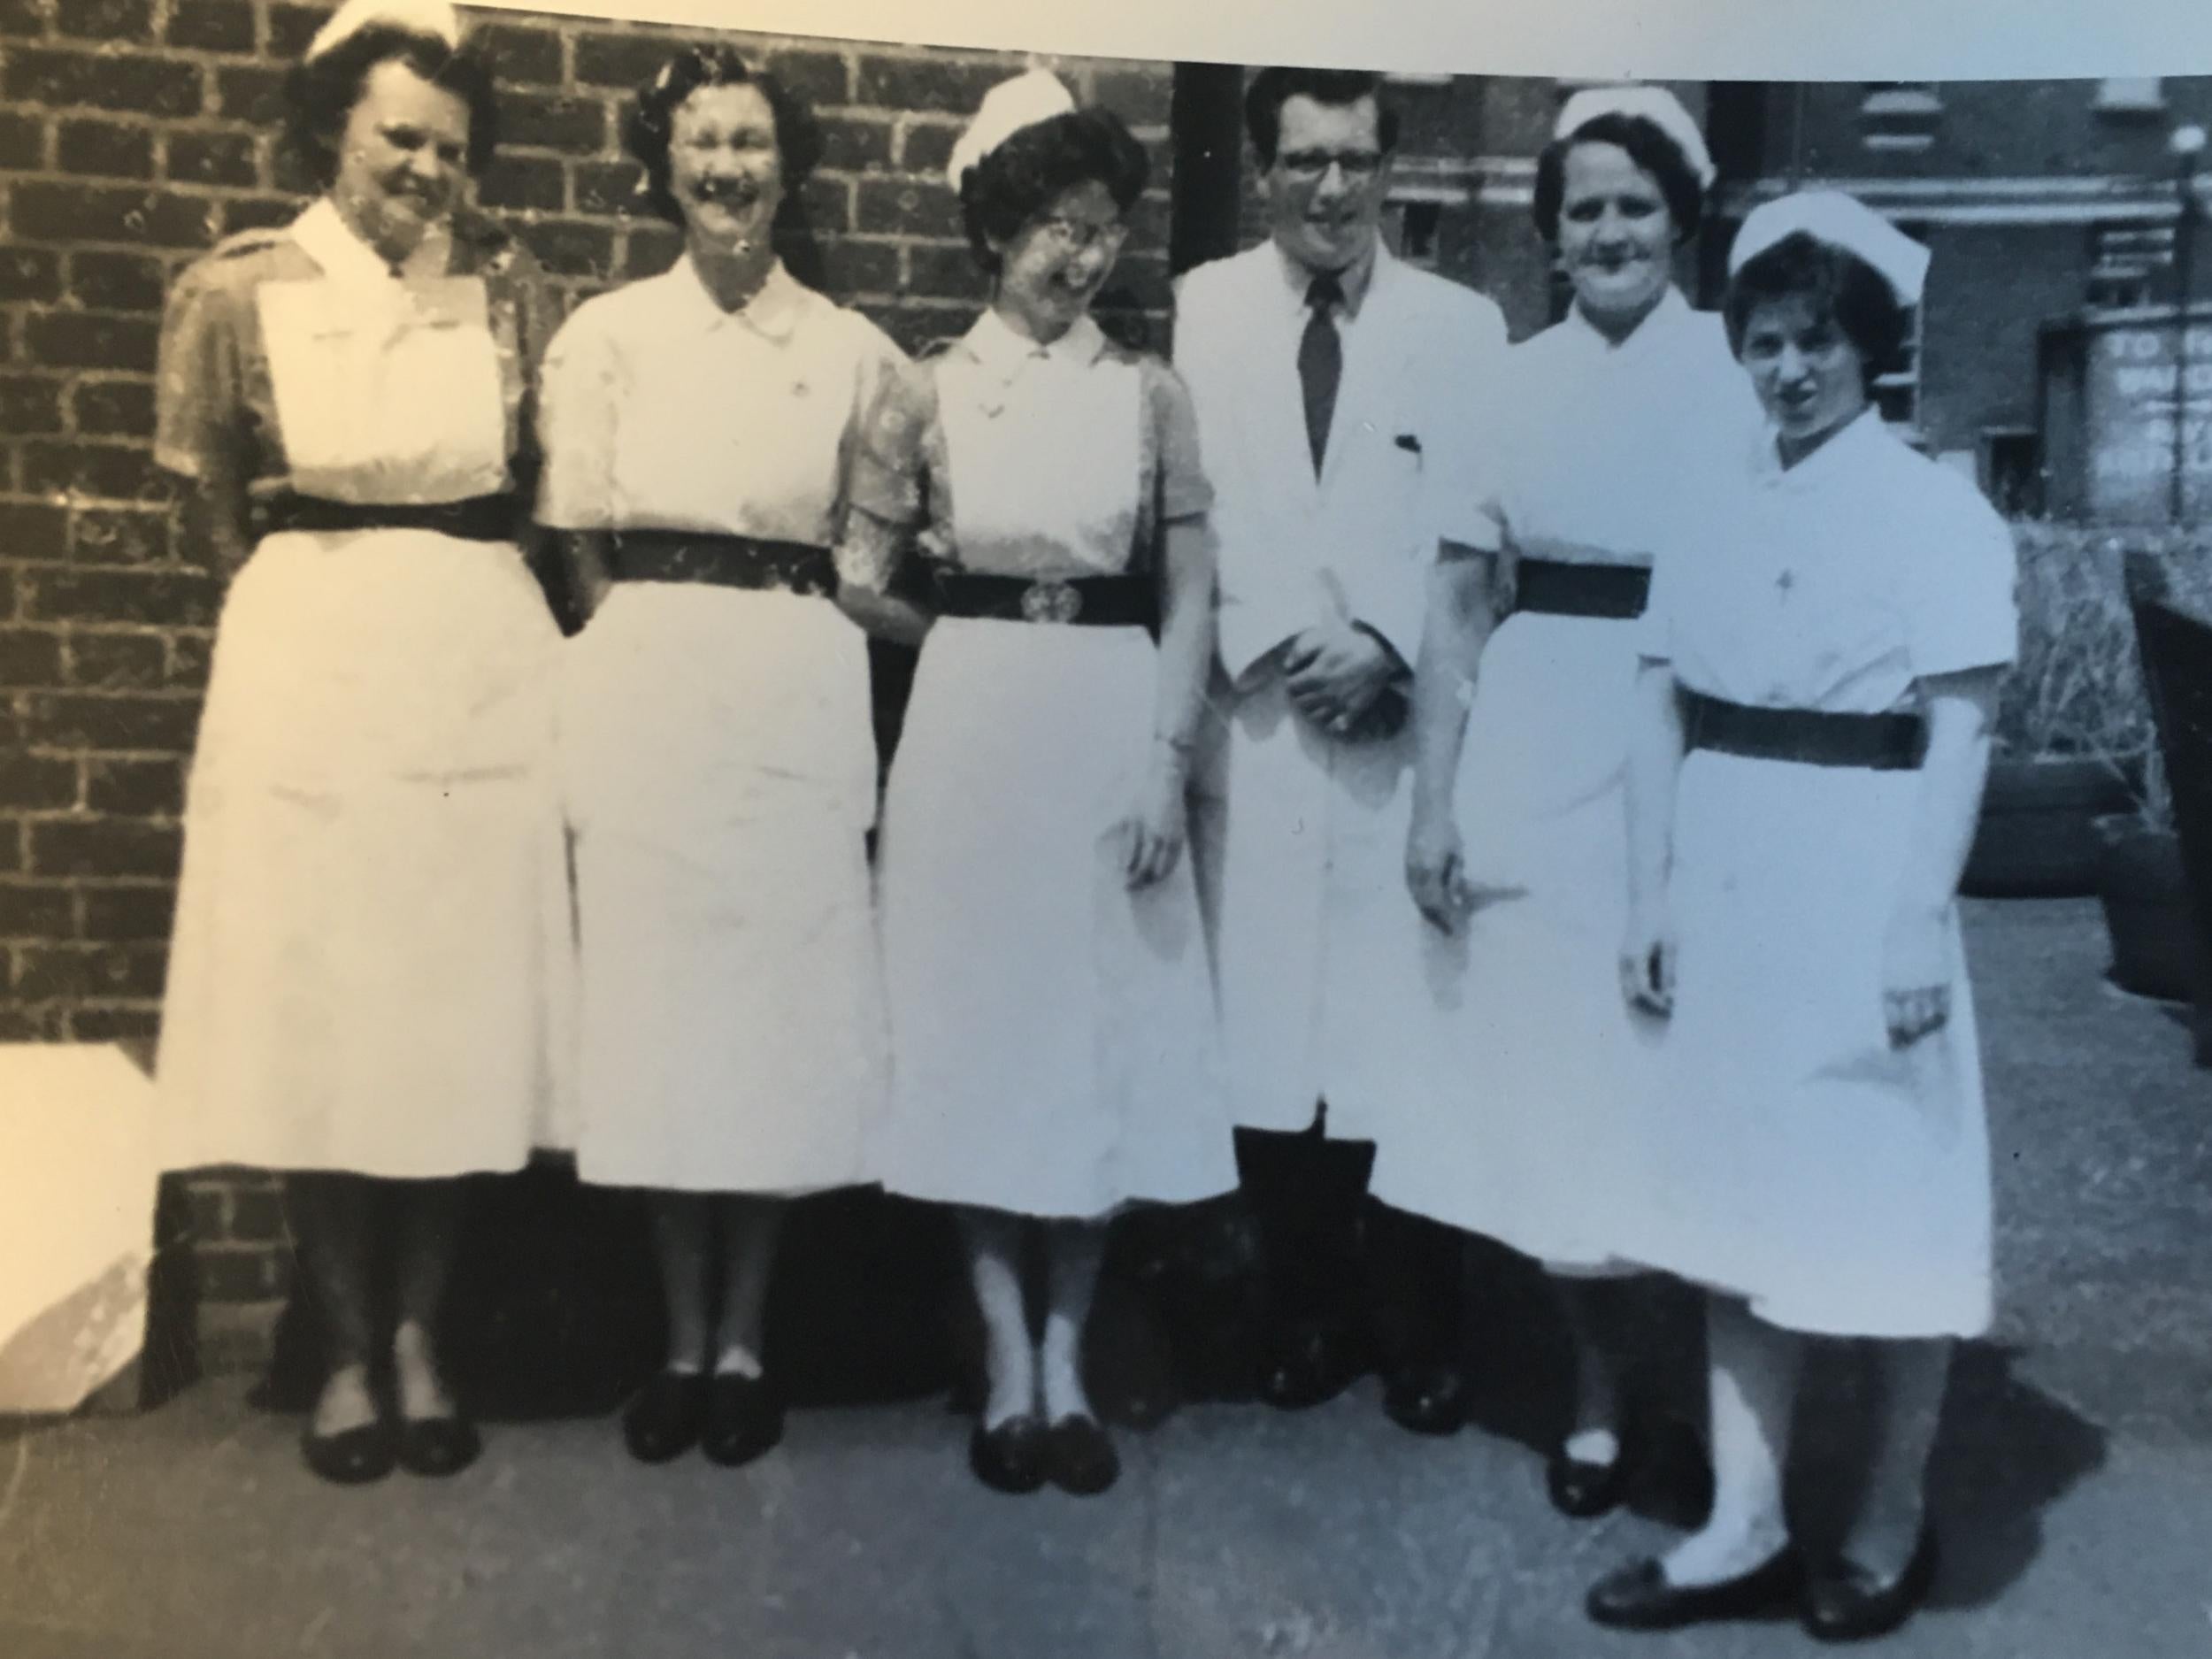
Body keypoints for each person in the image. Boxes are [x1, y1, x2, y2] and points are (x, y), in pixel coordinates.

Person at [1585, 191, 2015, 1640]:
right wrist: (1648, 889)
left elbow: (1959, 728)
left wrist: (1914, 921)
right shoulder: (1712, 504)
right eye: (1765, 342)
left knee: (1882, 1203)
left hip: (1863, 863)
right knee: (1737, 1200)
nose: (1788, 370)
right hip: (1727, 867)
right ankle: (1744, 1524)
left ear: (1869, 351)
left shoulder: (1933, 513)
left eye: (1817, 342)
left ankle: (1890, 1519)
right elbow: (1659, 700)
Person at [153, 0, 568, 1484]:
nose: (426, 169)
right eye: (399, 135)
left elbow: (537, 488)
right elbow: (212, 516)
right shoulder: (239, 289)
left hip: (473, 673)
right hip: (310, 673)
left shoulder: (513, 288)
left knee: (453, 1014)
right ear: (332, 129)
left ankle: (418, 1337)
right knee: (325, 1010)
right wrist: (314, 612)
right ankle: (340, 1342)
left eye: (450, 147)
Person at [850, 71, 1236, 1497]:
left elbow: (1192, 589)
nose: (1081, 257)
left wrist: (1163, 756)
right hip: (972, 736)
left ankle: (1069, 1361)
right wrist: (961, 638)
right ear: (994, 234)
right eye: (1053, 228)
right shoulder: (926, 390)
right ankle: (1002, 1357)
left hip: (1108, 725)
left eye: (1102, 230)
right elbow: (855, 575)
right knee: (984, 1042)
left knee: (1094, 1046)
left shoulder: (1148, 396)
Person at [1378, 86, 1763, 1513]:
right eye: (1584, 209)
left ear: (1683, 219)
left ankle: (1693, 1395)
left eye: (1635, 206)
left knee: (1670, 1083)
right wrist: (1434, 803)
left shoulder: (1736, 378)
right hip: (1540, 741)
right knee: (1558, 1085)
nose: (1610, 233)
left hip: (1696, 742)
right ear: (1551, 233)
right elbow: (1458, 607)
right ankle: (1603, 1396)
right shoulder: (1508, 385)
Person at [535, 45, 898, 1469]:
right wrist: (644, 660)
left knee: (769, 1024)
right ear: (664, 165)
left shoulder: (849, 350)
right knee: (665, 1022)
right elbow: (575, 537)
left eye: (752, 145)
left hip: (795, 686)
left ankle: (746, 1339)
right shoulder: (607, 334)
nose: (729, 170)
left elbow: (867, 549)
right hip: (650, 692)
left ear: (788, 170)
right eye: (703, 144)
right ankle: (675, 1341)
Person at [1173, 67, 1509, 1428]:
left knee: (1393, 1031)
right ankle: (1302, 1306)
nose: (1331, 189)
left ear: (1390, 170)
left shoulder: (1460, 325)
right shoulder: (1203, 309)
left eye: (1356, 161)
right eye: (1304, 160)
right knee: (1271, 1032)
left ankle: (1415, 1321)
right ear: (1264, 170)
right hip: (1258, 717)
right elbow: (1193, 512)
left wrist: (1384, 642)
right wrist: (1270, 642)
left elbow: (1476, 532)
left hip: (1398, 722)